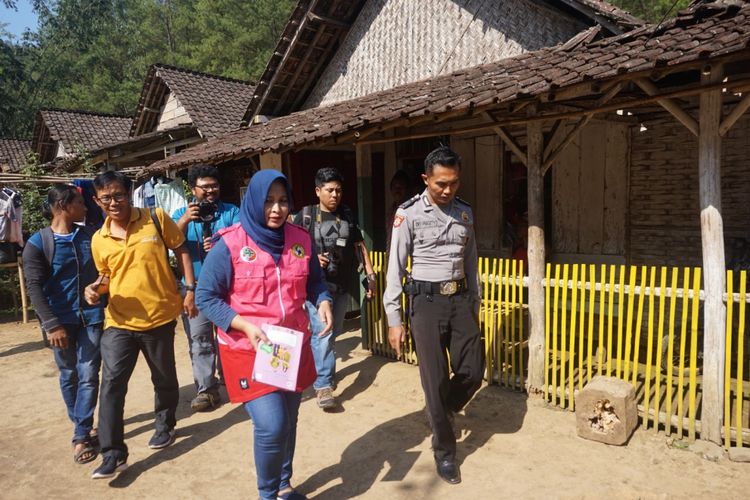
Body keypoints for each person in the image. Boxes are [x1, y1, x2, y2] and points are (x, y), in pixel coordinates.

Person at [196, 170, 333, 500]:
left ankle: (284, 484)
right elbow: (205, 296)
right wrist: (242, 324)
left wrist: (323, 299)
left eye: (283, 201)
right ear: (254, 201)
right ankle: (267, 495)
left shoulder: (300, 239)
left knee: (289, 419)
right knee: (272, 425)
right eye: (269, 201)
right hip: (248, 348)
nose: (276, 209)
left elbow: (314, 281)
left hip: (290, 345)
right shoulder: (229, 244)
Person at [83, 170, 197, 479]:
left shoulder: (155, 218)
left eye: (119, 195)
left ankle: (165, 425)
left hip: (158, 317)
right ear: (97, 201)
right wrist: (95, 289)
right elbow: (107, 275)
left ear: (129, 194)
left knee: (163, 378)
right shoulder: (98, 239)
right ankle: (113, 453)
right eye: (106, 198)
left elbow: (182, 249)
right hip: (118, 321)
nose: (114, 202)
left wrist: (190, 289)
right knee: (111, 385)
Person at [383, 146, 484, 485]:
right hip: (424, 304)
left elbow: (470, 258)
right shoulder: (408, 213)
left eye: (454, 183)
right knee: (435, 379)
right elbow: (394, 269)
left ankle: (442, 410)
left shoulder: (465, 213)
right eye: (441, 183)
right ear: (426, 179)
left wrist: (475, 298)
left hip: (459, 300)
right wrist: (394, 319)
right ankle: (445, 452)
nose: (447, 190)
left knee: (473, 369)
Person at [23, 184, 104, 465]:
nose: (85, 208)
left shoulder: (89, 236)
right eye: (80, 203)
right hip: (60, 321)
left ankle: (81, 434)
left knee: (89, 372)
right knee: (69, 373)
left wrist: (99, 286)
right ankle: (81, 424)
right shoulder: (38, 243)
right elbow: (34, 287)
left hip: (92, 317)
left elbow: (105, 269)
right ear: (63, 206)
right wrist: (51, 324)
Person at [293, 167, 376, 409]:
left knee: (333, 331)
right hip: (316, 289)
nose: (335, 195)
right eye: (329, 190)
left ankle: (318, 367)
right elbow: (292, 249)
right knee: (324, 333)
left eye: (339, 190)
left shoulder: (347, 215)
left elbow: (359, 245)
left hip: (341, 286)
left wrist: (370, 274)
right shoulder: (305, 216)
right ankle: (323, 385)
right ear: (318, 191)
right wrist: (309, 259)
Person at [171, 164, 240, 411]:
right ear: (192, 189)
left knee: (229, 334)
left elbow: (243, 241)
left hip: (228, 288)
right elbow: (169, 243)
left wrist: (222, 244)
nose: (211, 190)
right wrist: (185, 220)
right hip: (195, 288)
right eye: (205, 186)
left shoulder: (231, 212)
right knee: (200, 339)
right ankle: (207, 389)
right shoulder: (181, 213)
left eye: (214, 186)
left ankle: (232, 380)